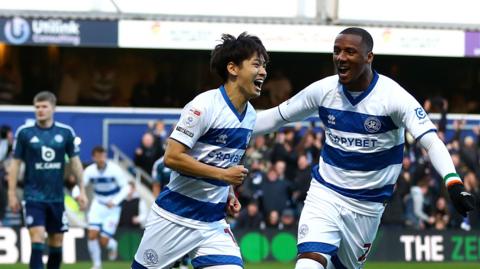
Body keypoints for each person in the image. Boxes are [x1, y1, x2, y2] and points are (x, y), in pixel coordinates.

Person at [253, 27, 475, 269]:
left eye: (350, 51)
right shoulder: (323, 91)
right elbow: (276, 117)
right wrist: (227, 128)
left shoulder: (393, 97)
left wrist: (452, 181)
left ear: (369, 57)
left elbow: (430, 140)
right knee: (309, 263)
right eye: (336, 51)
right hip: (325, 193)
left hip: (367, 208)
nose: (341, 57)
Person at [131, 32, 268, 269]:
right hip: (174, 217)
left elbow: (222, 163)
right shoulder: (203, 106)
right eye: (256, 64)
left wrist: (229, 193)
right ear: (233, 68)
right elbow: (172, 157)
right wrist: (224, 177)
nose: (264, 72)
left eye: (265, 65)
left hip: (213, 222)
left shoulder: (250, 116)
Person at [7, 91, 88, 269]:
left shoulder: (66, 132)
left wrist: (81, 190)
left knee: (56, 242)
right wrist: (11, 194)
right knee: (37, 236)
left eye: (44, 106)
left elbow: (75, 163)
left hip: (57, 198)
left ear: (53, 108)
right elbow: (15, 165)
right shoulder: (25, 133)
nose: (40, 110)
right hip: (33, 196)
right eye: (37, 107)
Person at [83, 146, 130, 269]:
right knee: (92, 234)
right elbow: (80, 184)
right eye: (98, 156)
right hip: (97, 205)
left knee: (104, 241)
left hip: (112, 208)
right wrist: (78, 195)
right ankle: (97, 265)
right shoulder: (89, 171)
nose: (101, 158)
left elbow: (126, 188)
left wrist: (115, 201)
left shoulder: (114, 169)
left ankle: (112, 245)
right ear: (94, 157)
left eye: (103, 155)